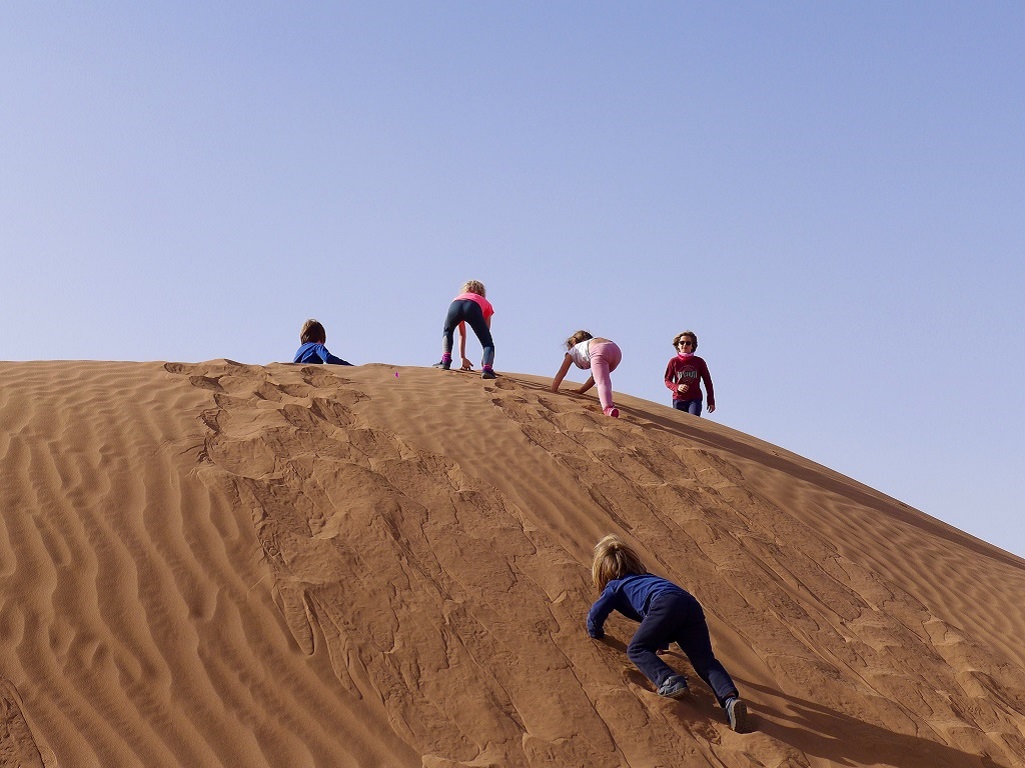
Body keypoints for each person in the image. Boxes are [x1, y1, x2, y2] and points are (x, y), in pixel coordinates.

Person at [586, 534, 750, 733]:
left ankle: (668, 680)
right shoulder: (648, 579)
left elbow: (596, 613)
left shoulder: (614, 586)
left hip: (665, 603)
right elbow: (659, 620)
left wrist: (595, 632)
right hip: (689, 605)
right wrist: (661, 644)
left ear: (602, 571)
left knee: (637, 650)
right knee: (705, 660)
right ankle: (730, 700)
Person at [434, 280, 496, 380]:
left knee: (448, 331)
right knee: (487, 343)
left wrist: (462, 357)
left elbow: (462, 335)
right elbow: (486, 332)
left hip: (455, 305)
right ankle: (487, 369)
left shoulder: (460, 297)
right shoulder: (485, 303)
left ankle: (445, 360)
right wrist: (486, 359)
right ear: (481, 292)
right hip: (473, 307)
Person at [551, 331, 622, 418]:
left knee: (602, 381)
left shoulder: (573, 351)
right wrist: (580, 391)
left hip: (600, 350)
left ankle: (608, 408)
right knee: (601, 378)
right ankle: (608, 405)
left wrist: (553, 389)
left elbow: (562, 372)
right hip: (616, 350)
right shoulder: (591, 343)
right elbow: (593, 378)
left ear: (573, 342)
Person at [664, 330, 715, 416]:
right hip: (678, 399)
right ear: (678, 345)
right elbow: (667, 380)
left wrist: (711, 401)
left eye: (688, 343)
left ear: (692, 346)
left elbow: (708, 382)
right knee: (679, 425)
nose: (684, 345)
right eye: (682, 342)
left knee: (693, 421)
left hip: (695, 399)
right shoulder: (673, 361)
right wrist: (677, 387)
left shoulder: (699, 361)